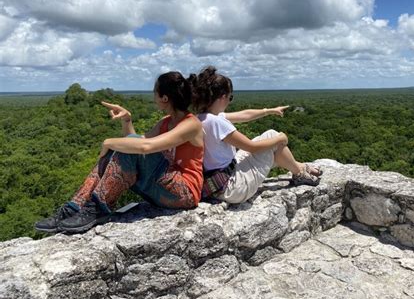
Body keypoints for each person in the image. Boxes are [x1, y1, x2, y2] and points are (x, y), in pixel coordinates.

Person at [35, 72, 204, 233]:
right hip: (165, 188)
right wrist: (127, 119)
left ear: (165, 98)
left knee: (124, 146)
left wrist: (108, 142)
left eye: (155, 93)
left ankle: (99, 208)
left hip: (185, 194)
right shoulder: (165, 122)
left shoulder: (191, 124)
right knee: (121, 148)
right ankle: (74, 208)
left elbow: (145, 147)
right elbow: (135, 141)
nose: (154, 97)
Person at [190, 66, 322, 204]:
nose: (230, 101)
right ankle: (300, 173)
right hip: (232, 187)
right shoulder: (216, 122)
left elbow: (244, 115)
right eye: (230, 97)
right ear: (223, 97)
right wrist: (280, 138)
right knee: (273, 137)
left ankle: (298, 166)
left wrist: (269, 110)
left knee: (271, 140)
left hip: (216, 183)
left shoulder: (202, 118)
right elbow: (252, 147)